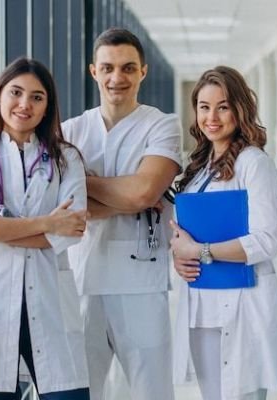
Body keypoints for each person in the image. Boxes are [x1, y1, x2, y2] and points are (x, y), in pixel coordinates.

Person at [0, 57, 89, 399]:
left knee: (68, 393)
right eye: (16, 92)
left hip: (50, 299)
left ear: (47, 107)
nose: (25, 104)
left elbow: (70, 230)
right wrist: (47, 222)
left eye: (37, 97)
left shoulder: (66, 159)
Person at [61, 28, 181, 400]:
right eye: (108, 68)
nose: (118, 78)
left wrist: (83, 180)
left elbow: (145, 191)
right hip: (81, 281)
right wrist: (127, 194)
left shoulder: (161, 124)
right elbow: (64, 210)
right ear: (93, 71)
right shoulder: (69, 131)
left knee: (153, 392)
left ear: (143, 71)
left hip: (141, 283)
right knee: (79, 391)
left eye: (128, 68)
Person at [169, 66, 277, 400]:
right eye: (204, 107)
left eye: (222, 106)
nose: (212, 117)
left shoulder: (254, 163)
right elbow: (185, 235)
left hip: (244, 302)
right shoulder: (197, 166)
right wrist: (180, 256)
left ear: (240, 109)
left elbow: (266, 240)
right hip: (202, 304)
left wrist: (200, 251)